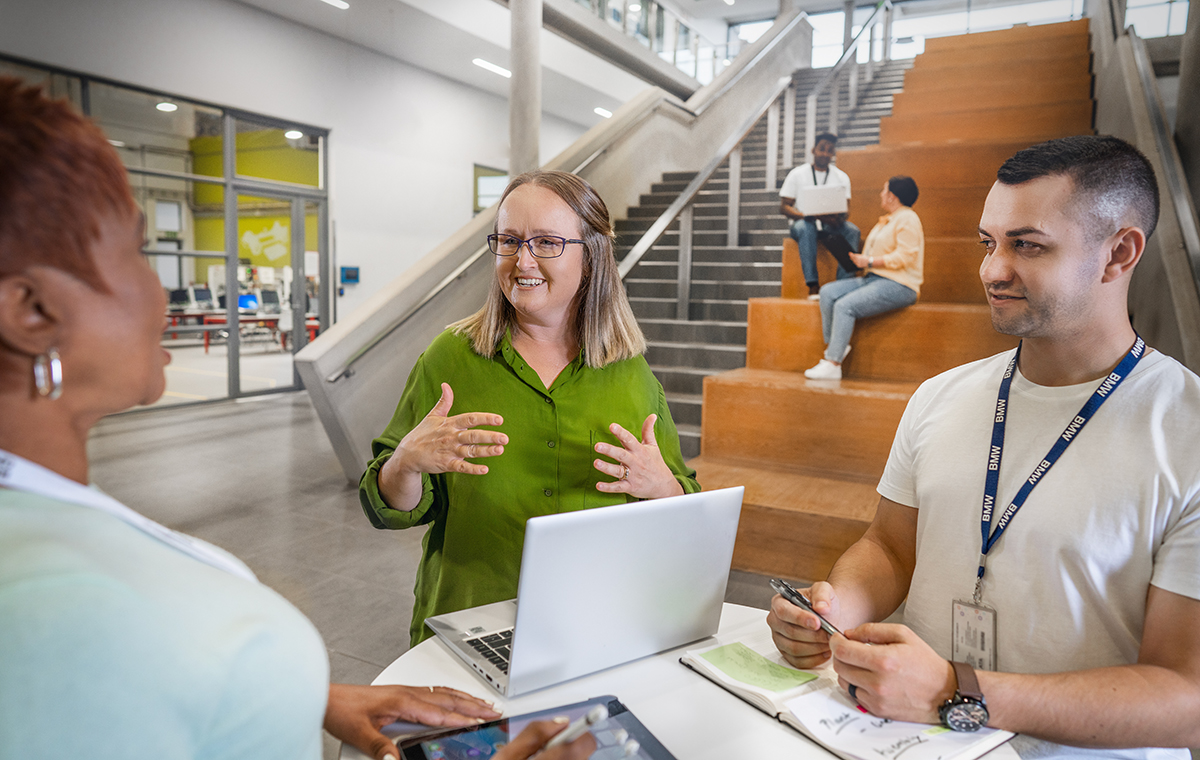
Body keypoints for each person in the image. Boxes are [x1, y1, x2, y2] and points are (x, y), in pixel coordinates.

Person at [0, 78, 594, 760]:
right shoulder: (48, 607)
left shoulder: (45, 517)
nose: (160, 290)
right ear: (32, 311)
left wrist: (308, 695)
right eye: (134, 252)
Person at [769, 135, 1200, 758]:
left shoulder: (1184, 430)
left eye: (1026, 245)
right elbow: (890, 545)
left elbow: (1184, 698)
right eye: (988, 242)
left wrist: (957, 691)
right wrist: (832, 611)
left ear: (1118, 255)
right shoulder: (940, 397)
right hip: (906, 741)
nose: (992, 270)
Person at [360, 170, 700, 646]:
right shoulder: (449, 358)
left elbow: (684, 508)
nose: (522, 261)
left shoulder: (630, 372)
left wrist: (661, 486)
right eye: (509, 240)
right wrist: (405, 464)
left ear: (592, 254)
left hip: (592, 624)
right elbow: (390, 509)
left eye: (545, 242)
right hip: (468, 625)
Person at [804, 176, 923, 381]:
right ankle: (836, 347)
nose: (881, 194)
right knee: (827, 292)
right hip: (874, 278)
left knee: (844, 306)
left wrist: (868, 261)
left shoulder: (908, 218)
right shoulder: (887, 220)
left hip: (900, 284)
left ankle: (833, 363)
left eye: (884, 190)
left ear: (892, 196)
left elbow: (905, 256)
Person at [779, 132, 861, 298]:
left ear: (833, 153)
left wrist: (836, 219)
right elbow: (784, 207)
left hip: (829, 224)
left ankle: (843, 285)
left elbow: (846, 211)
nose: (825, 153)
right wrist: (803, 215)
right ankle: (813, 285)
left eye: (829, 150)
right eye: (821, 149)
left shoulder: (841, 177)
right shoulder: (798, 174)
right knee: (805, 227)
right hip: (803, 223)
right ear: (813, 150)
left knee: (853, 231)